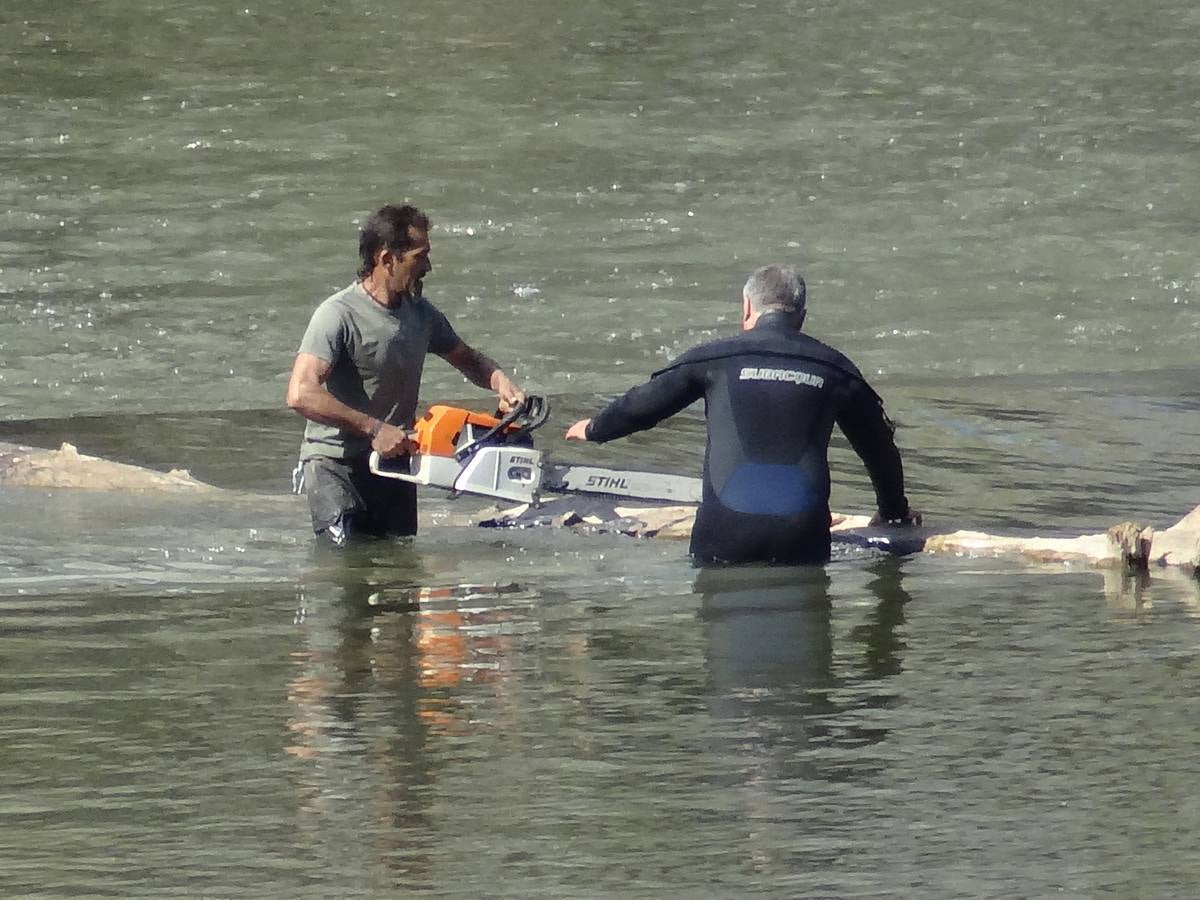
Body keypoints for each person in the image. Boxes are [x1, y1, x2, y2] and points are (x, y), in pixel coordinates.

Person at [565, 264, 919, 565]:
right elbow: (878, 450)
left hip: (723, 537)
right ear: (802, 317)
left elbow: (642, 407)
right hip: (802, 540)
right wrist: (893, 512)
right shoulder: (837, 369)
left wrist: (594, 428)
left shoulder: (712, 359)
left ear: (746, 307)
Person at [286, 204, 524, 546]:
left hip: (395, 464)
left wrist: (500, 381)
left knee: (399, 577)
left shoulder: (421, 314)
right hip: (336, 468)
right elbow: (300, 392)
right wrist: (374, 428)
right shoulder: (337, 315)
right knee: (349, 569)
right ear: (387, 259)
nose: (428, 267)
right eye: (420, 256)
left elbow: (468, 358)